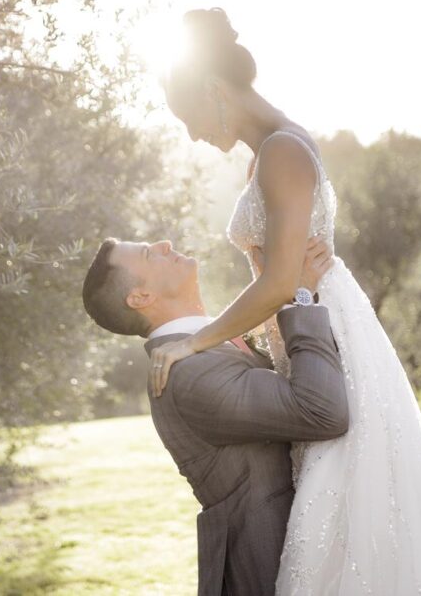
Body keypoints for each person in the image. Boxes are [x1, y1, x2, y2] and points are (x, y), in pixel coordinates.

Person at [152, 7, 421, 595]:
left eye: (188, 117)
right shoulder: (268, 152)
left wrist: (195, 341)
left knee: (343, 510)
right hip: (304, 333)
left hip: (328, 341)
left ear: (212, 90)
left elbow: (280, 282)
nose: (192, 135)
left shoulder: (282, 151)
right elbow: (279, 277)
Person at [82, 236, 348, 596]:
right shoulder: (188, 375)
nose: (164, 243)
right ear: (140, 298)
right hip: (272, 567)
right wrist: (301, 295)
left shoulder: (203, 348)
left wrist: (274, 290)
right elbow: (321, 410)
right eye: (148, 253)